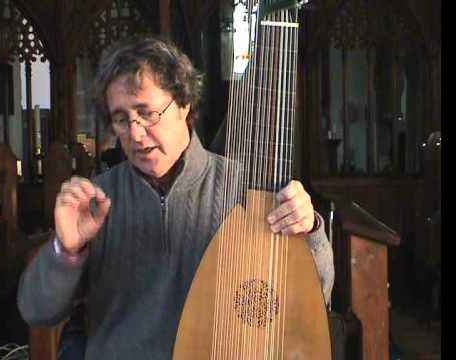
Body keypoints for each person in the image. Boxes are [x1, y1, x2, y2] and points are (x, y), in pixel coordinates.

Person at [17, 35, 334, 359]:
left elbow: (315, 295)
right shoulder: (97, 200)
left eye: (147, 112)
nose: (136, 134)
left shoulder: (245, 188)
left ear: (184, 104)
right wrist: (66, 251)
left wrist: (308, 231)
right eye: (122, 119)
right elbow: (37, 311)